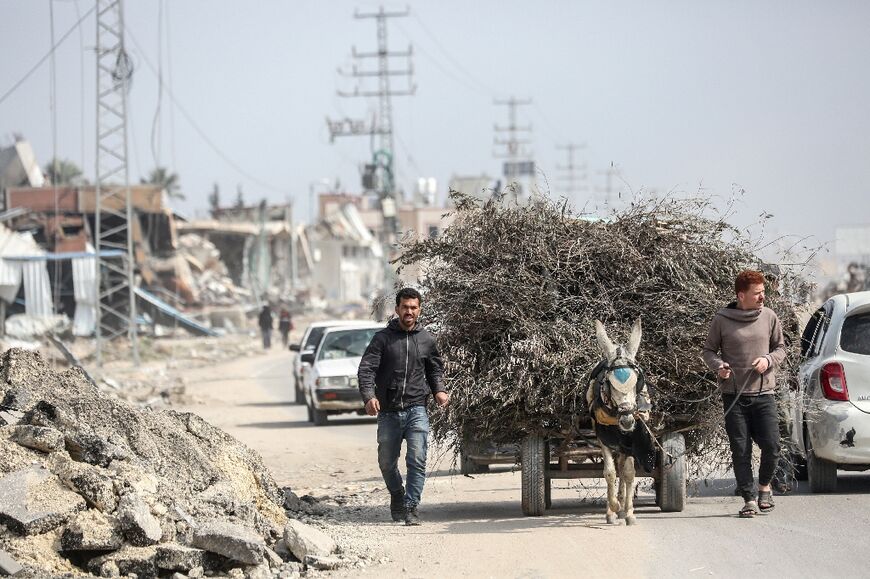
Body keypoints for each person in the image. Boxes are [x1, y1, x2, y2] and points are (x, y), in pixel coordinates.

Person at [358, 288, 449, 526]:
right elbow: (367, 369)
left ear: (419, 310)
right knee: (386, 462)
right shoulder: (383, 339)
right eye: (405, 307)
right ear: (397, 309)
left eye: (413, 307)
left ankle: (410, 507)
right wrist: (369, 396)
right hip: (388, 411)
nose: (409, 311)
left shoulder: (426, 339)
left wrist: (439, 390)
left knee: (417, 459)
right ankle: (397, 494)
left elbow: (434, 369)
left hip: (416, 408)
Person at [703, 270, 786, 518]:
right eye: (757, 293)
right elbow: (708, 351)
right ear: (741, 295)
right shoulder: (722, 319)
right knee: (740, 450)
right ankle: (749, 499)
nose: (762, 297)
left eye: (763, 292)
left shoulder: (769, 317)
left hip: (764, 394)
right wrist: (719, 366)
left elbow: (781, 348)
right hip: (734, 396)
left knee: (772, 446)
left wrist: (768, 360)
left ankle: (764, 488)